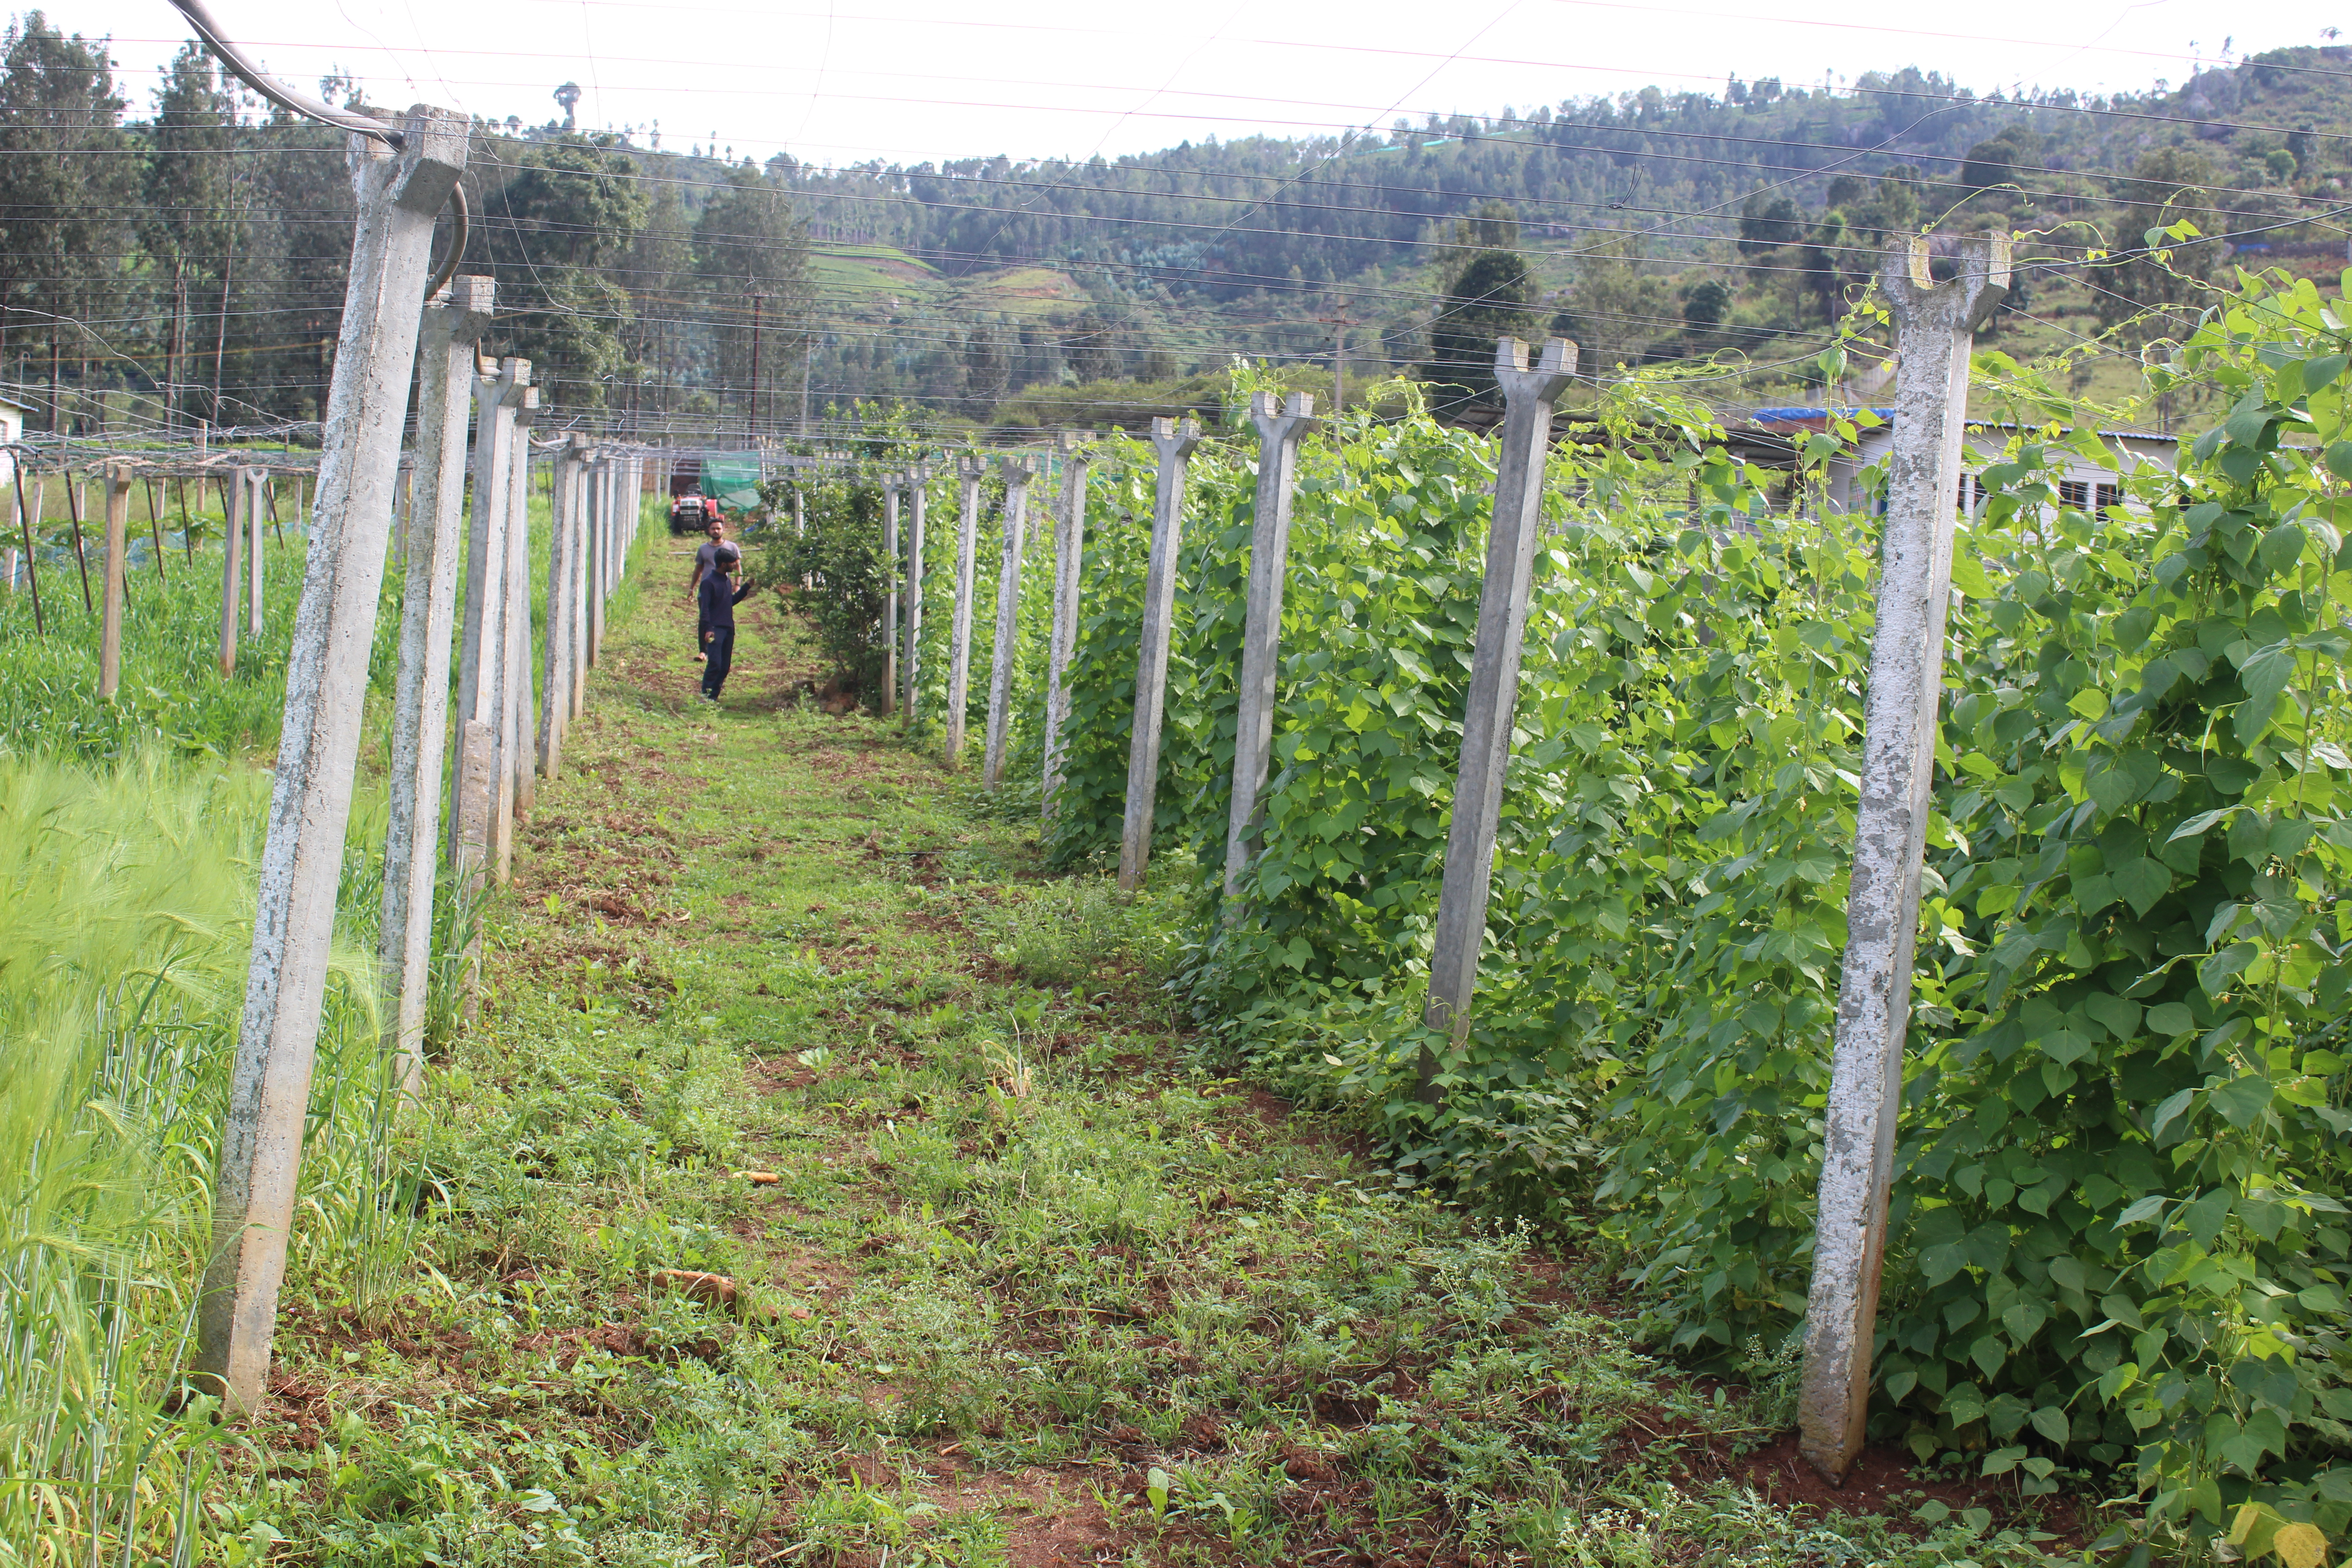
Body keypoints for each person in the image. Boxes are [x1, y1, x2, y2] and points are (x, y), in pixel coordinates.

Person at [696, 542, 755, 701]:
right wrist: (708, 628)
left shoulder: (725, 581)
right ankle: (705, 696)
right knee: (715, 663)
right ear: (723, 564)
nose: (735, 566)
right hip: (716, 629)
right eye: (732, 563)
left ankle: (713, 697)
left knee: (724, 667)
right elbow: (705, 609)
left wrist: (746, 587)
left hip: (728, 628)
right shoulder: (709, 583)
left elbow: (729, 602)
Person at [688, 511, 730, 596]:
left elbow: (737, 567)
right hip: (707, 589)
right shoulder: (703, 549)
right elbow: (698, 569)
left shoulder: (731, 547)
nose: (716, 531)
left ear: (723, 530)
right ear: (709, 530)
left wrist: (737, 585)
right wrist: (692, 588)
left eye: (718, 529)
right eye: (713, 529)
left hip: (724, 589)